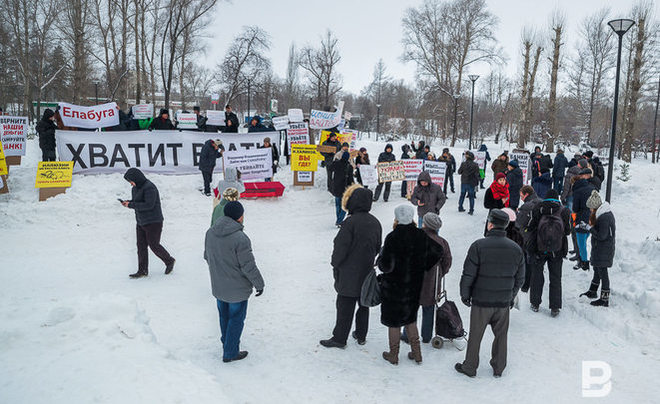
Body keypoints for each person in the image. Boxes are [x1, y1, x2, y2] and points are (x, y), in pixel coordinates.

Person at [455, 209, 525, 378]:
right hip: (502, 302)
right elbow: (520, 278)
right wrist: (511, 295)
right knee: (501, 336)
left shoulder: (478, 246)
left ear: (490, 224)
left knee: (475, 336)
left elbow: (468, 274)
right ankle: (499, 367)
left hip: (481, 300)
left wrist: (465, 294)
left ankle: (470, 367)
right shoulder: (516, 249)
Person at [378, 205, 443, 365]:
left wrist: (380, 261)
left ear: (397, 218)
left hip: (394, 287)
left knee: (394, 321)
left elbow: (386, 266)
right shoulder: (420, 235)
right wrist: (424, 265)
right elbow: (438, 251)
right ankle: (417, 353)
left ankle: (393, 354)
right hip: (414, 286)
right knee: (410, 318)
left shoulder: (392, 237)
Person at [320, 184, 382, 348]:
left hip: (348, 273)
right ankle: (361, 335)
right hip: (367, 270)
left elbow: (340, 247)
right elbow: (378, 247)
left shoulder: (350, 223)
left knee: (345, 306)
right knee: (364, 304)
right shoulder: (375, 222)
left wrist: (335, 263)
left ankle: (339, 338)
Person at [204, 201, 265, 363]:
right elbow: (248, 266)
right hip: (237, 289)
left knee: (224, 316)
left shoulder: (210, 232)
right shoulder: (240, 238)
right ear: (239, 217)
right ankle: (230, 352)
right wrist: (259, 284)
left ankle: (227, 342)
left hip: (218, 286)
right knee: (236, 318)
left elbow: (207, 256)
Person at [401, 212, 452, 344]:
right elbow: (447, 261)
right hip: (432, 282)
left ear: (424, 224)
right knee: (429, 308)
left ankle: (407, 334)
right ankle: (427, 335)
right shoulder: (442, 242)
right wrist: (441, 273)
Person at [524, 189, 571, 317]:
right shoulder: (564, 211)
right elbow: (567, 231)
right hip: (557, 249)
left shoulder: (538, 208)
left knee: (537, 275)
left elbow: (531, 226)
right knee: (555, 277)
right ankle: (555, 307)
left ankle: (535, 303)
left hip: (539, 248)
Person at [121, 168, 175, 278]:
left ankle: (169, 260)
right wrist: (129, 202)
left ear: (137, 178)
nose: (131, 184)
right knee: (141, 246)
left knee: (154, 245)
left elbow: (148, 205)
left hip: (154, 221)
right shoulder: (135, 188)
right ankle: (142, 270)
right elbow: (138, 202)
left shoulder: (150, 188)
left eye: (131, 181)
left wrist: (131, 205)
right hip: (141, 221)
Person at [579, 190, 615, 307]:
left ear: (595, 207)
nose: (590, 211)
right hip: (600, 249)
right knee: (597, 270)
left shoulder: (604, 217)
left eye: (591, 209)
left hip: (604, 249)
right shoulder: (602, 214)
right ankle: (592, 291)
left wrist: (590, 228)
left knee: (603, 272)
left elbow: (602, 235)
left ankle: (604, 299)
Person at [515, 185, 541, 293]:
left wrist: (518, 213)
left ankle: (526, 285)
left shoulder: (527, 206)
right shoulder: (540, 201)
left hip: (529, 238)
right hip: (541, 237)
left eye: (521, 195)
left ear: (526, 194)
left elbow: (518, 224)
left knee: (528, 261)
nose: (521, 198)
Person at [572, 168, 596, 270]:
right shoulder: (592, 188)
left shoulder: (577, 191)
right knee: (585, 236)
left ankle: (584, 262)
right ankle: (584, 259)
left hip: (581, 217)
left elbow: (575, 208)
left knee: (580, 241)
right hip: (592, 216)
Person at [330, 151, 355, 227]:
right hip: (344, 188)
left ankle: (339, 220)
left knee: (337, 205)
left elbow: (330, 168)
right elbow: (351, 179)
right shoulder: (349, 167)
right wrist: (353, 187)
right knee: (344, 206)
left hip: (336, 187)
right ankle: (339, 221)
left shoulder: (336, 164)